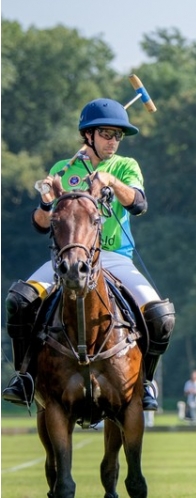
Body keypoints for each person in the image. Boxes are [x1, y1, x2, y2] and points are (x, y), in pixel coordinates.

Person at [2, 98, 175, 411]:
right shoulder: (62, 170)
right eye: (107, 134)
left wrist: (110, 181)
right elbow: (41, 225)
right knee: (20, 300)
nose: (113, 142)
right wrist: (44, 201)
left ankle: (144, 381)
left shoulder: (125, 166)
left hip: (114, 257)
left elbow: (138, 203)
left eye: (118, 136)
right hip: (67, 259)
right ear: (89, 135)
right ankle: (24, 375)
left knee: (161, 317)